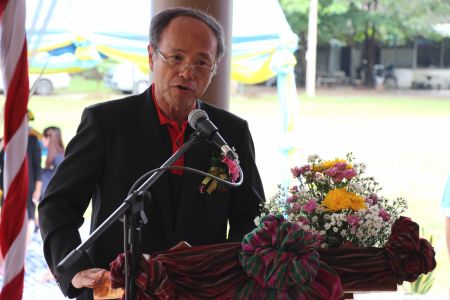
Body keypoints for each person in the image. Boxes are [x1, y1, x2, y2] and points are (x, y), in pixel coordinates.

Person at [38, 7, 265, 300]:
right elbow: (57, 205)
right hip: (117, 290)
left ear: (214, 69)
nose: (187, 72)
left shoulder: (231, 132)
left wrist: (221, 269)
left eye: (201, 62)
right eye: (176, 57)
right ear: (151, 56)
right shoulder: (107, 123)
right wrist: (75, 270)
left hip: (201, 292)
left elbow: (252, 219)